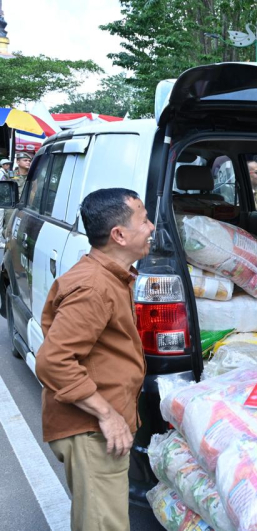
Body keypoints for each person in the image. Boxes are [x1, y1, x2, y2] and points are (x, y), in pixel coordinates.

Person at [35, 188, 154, 531]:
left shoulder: (112, 276)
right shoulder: (94, 287)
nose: (150, 226)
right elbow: (53, 361)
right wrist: (107, 415)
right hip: (90, 430)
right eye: (142, 219)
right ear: (119, 234)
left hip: (95, 425)